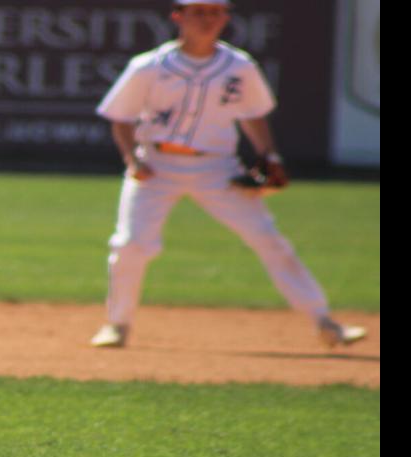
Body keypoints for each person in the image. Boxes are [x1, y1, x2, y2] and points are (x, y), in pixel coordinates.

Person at [90, 0, 365, 350]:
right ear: (178, 16)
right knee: (131, 244)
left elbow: (253, 115)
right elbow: (121, 117)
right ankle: (117, 325)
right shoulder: (149, 67)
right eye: (198, 11)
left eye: (214, 12)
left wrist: (270, 154)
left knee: (268, 239)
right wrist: (132, 159)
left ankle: (324, 321)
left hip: (217, 167)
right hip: (156, 166)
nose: (207, 19)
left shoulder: (238, 66)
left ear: (225, 18)